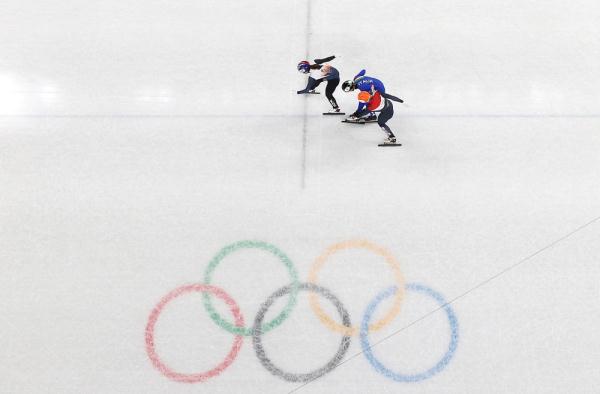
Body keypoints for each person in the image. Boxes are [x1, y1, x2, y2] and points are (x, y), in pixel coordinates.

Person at [342, 70, 404, 144]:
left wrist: (356, 115)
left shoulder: (371, 105)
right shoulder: (375, 92)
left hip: (385, 109)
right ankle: (373, 116)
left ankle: (392, 137)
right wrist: (400, 100)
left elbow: (363, 111)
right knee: (368, 103)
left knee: (380, 121)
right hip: (383, 96)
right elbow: (363, 71)